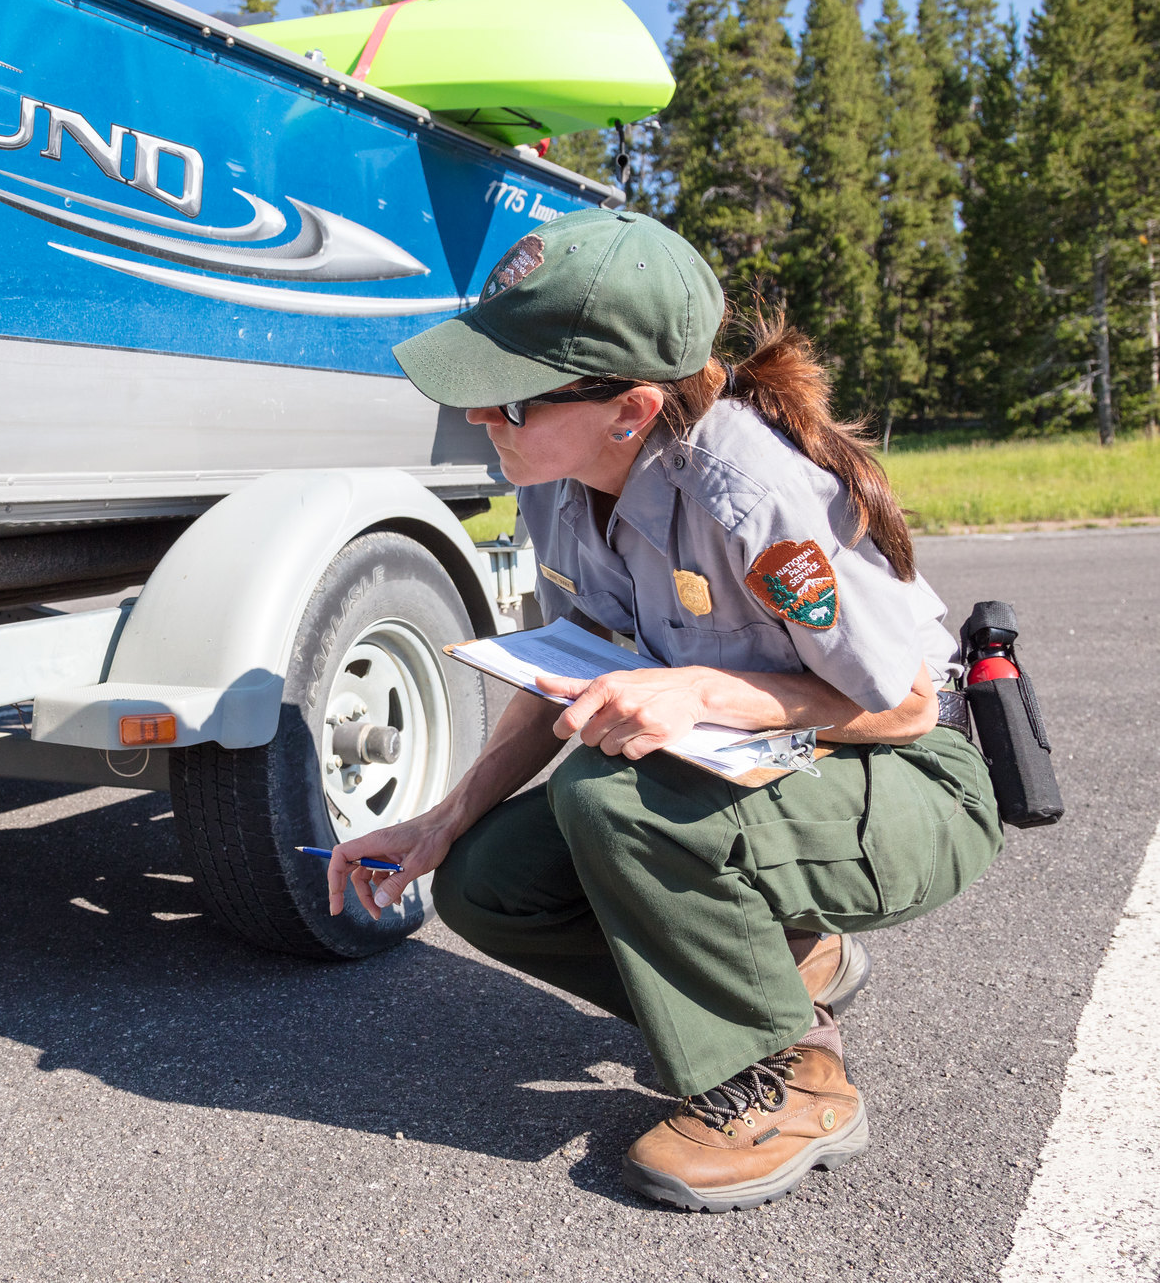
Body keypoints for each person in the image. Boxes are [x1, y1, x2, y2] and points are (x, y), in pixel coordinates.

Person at [324, 208, 1001, 1212]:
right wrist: (445, 815)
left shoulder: (751, 492)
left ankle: (788, 1078)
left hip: (912, 782)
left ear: (631, 410)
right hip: (762, 785)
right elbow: (568, 670)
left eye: (508, 399)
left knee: (612, 798)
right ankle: (786, 965)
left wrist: (703, 692)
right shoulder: (557, 481)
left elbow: (904, 702)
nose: (482, 419)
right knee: (486, 882)